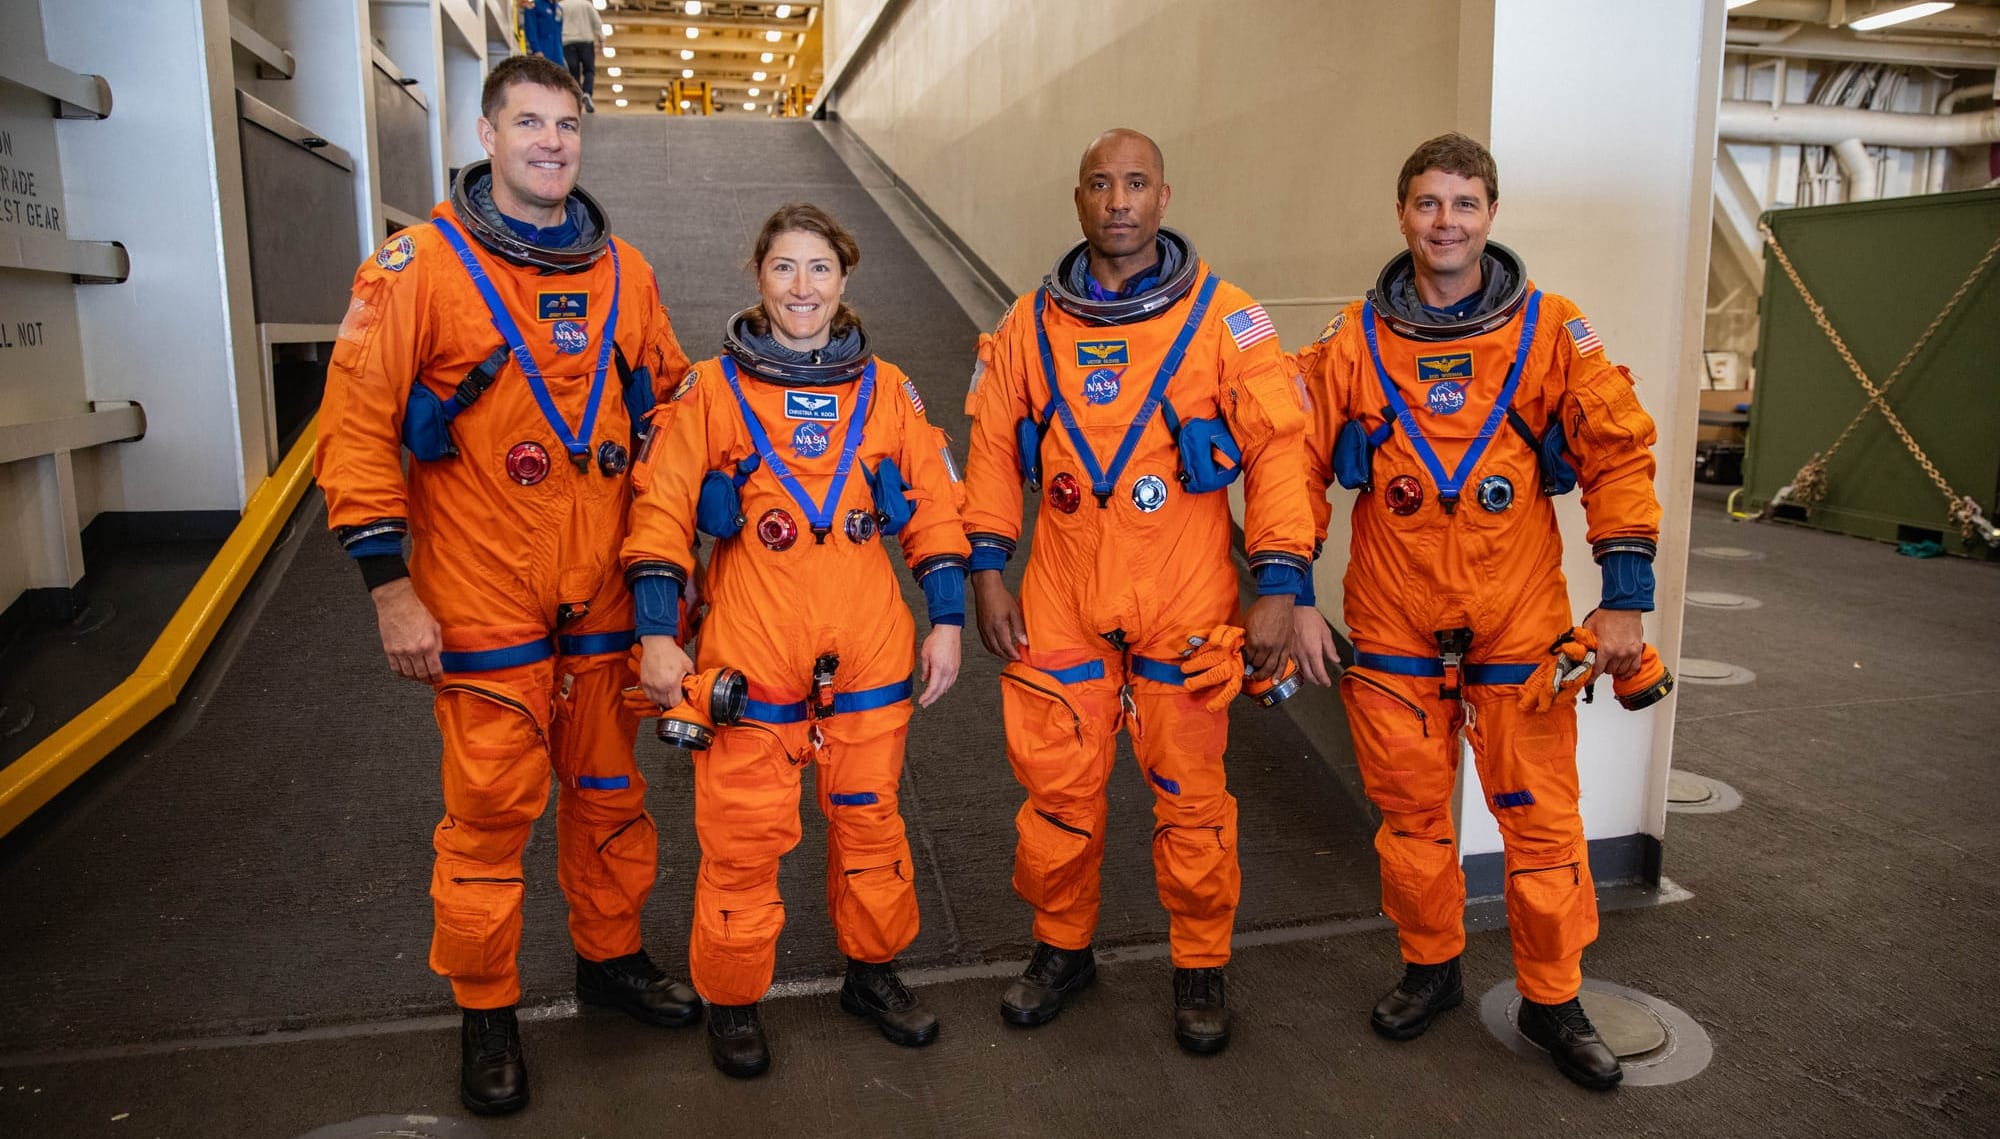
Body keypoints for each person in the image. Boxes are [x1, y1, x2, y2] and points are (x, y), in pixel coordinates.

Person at [316, 55, 699, 1116]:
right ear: (487, 134)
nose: (551, 142)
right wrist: (389, 587)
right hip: (480, 590)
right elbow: (353, 429)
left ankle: (610, 958)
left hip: (604, 591)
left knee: (610, 794)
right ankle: (487, 1005)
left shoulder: (624, 269)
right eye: (529, 122)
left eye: (567, 125)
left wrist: (672, 545)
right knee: (488, 811)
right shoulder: (414, 268)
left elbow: (668, 403)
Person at [1289, 131, 1662, 1091]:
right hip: (1394, 620)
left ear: (1491, 213)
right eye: (1427, 203)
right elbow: (1288, 458)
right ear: (1402, 213)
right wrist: (1286, 586)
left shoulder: (1549, 330)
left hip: (1518, 621)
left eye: (1463, 203)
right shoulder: (1354, 341)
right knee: (1412, 819)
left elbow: (1616, 450)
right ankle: (1429, 967)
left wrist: (1625, 600)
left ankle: (1552, 996)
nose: (1444, 222)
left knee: (1539, 824)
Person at [961, 128, 1314, 1055]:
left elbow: (1280, 453)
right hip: (1062, 593)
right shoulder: (1031, 324)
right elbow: (995, 449)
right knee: (1057, 792)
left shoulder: (1227, 317)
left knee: (1192, 799)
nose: (1117, 200)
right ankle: (1061, 947)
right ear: (1078, 200)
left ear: (1165, 197)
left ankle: (1200, 965)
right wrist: (987, 570)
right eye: (1099, 184)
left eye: (1135, 183)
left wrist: (1278, 582)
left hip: (1186, 597)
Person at [626, 203, 971, 1079]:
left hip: (868, 649)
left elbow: (933, 506)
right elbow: (662, 509)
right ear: (759, 278)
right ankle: (734, 1000)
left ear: (845, 280)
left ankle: (873, 971)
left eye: (819, 269)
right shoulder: (711, 389)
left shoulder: (887, 389)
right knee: (741, 840)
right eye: (785, 268)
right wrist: (659, 636)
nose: (802, 287)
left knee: (871, 827)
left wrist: (947, 620)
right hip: (751, 652)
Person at [557, 0, 600, 113]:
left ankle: (576, 96)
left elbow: (556, 23)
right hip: (586, 40)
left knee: (573, 71)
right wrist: (601, 38)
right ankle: (587, 93)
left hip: (567, 41)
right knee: (589, 70)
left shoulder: (561, 6)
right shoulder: (586, 5)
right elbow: (597, 22)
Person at [519, 0, 565, 67]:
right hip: (542, 51)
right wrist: (536, 49)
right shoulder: (533, 5)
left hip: (558, 53)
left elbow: (559, 32)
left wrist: (561, 52)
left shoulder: (558, 8)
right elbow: (531, 29)